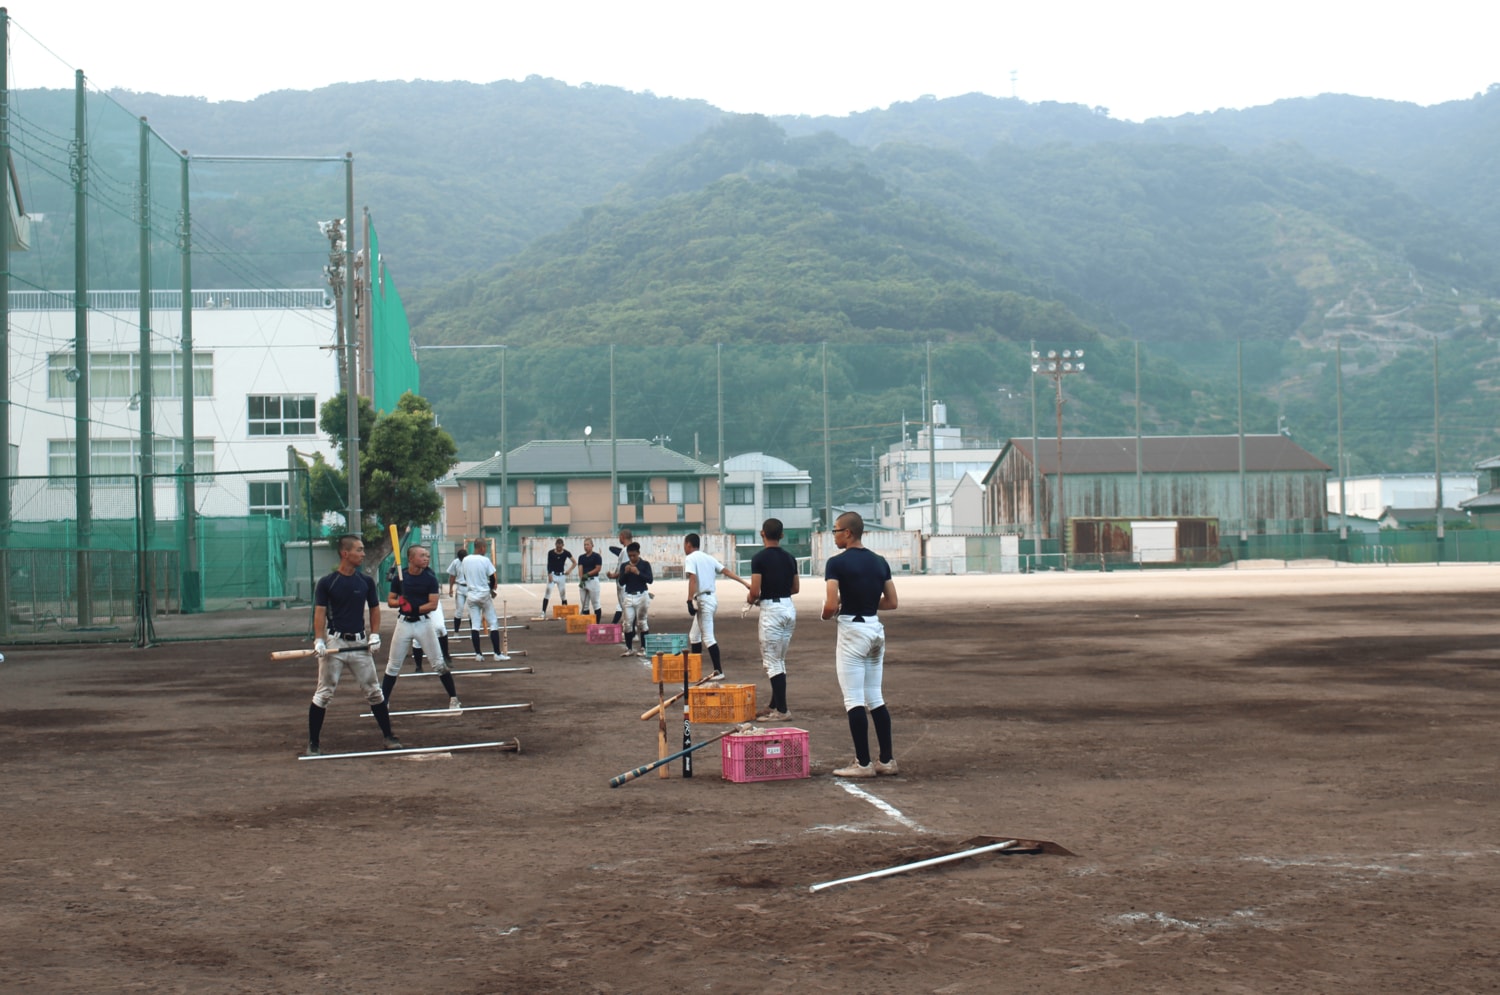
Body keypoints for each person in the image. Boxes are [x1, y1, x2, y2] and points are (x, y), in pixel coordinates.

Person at [821, 512, 899, 778]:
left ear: (848, 533)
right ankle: (886, 760)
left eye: (836, 531)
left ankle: (863, 763)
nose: (834, 535)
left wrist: (827, 613)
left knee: (853, 698)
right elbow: (891, 602)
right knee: (875, 697)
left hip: (853, 631)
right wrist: (864, 600)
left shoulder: (836, 563)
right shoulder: (880, 561)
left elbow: (831, 604)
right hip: (875, 628)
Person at [308, 534, 401, 756]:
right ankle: (313, 742)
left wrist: (374, 635)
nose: (363, 553)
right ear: (345, 553)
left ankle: (388, 736)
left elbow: (374, 609)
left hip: (359, 643)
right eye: (359, 550)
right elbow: (319, 613)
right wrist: (319, 639)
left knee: (374, 692)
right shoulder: (327, 582)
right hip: (334, 643)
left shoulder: (366, 582)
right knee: (324, 693)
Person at [381, 544, 462, 711]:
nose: (426, 558)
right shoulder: (400, 577)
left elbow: (432, 605)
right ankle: (383, 701)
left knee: (439, 664)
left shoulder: (430, 578)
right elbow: (390, 601)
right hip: (403, 624)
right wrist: (401, 603)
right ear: (411, 559)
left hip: (423, 623)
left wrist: (415, 609)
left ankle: (454, 699)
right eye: (422, 555)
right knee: (393, 665)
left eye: (427, 555)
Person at [747, 518, 799, 722]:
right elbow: (795, 588)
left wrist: (751, 599)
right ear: (782, 535)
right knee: (779, 659)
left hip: (772, 611)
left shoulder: (759, 558)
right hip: (788, 607)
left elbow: (754, 591)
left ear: (762, 534)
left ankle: (782, 710)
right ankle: (774, 704)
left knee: (772, 662)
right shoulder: (790, 558)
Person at [683, 532, 750, 682]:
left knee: (708, 637)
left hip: (703, 601)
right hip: (711, 599)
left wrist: (688, 600)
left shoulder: (690, 558)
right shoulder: (708, 558)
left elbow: (692, 579)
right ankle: (695, 672)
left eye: (684, 545)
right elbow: (726, 571)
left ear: (688, 544)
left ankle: (719, 671)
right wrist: (744, 583)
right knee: (694, 636)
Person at [459, 542, 509, 661]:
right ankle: (497, 653)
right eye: (485, 547)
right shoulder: (485, 560)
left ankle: (478, 654)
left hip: (471, 595)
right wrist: (491, 589)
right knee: (493, 623)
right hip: (484, 595)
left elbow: (465, 577)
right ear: (481, 548)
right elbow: (492, 577)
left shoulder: (465, 560)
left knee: (475, 625)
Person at [618, 541, 653, 657]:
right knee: (627, 623)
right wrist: (626, 573)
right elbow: (621, 582)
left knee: (642, 622)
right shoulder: (625, 566)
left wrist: (638, 572)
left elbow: (650, 580)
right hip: (628, 595)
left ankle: (644, 647)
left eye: (634, 555)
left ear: (638, 553)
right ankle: (629, 648)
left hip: (642, 595)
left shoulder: (645, 564)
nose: (632, 558)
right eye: (630, 556)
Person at [541, 538, 575, 617]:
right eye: (557, 547)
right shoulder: (551, 553)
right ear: (555, 545)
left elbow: (574, 562)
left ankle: (565, 611)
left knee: (563, 594)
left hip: (561, 575)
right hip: (553, 574)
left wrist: (569, 570)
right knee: (548, 592)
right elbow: (549, 564)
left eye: (560, 547)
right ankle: (543, 612)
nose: (559, 549)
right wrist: (549, 574)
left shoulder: (566, 553)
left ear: (563, 546)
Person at [606, 528, 633, 626]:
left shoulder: (626, 551)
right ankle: (630, 631)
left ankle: (630, 632)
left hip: (624, 584)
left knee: (626, 609)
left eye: (619, 536)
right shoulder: (631, 549)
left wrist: (613, 575)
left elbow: (625, 569)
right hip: (627, 583)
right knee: (626, 608)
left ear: (622, 536)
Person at [577, 537, 604, 623]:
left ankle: (597, 623)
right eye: (584, 545)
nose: (586, 546)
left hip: (593, 580)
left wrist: (588, 574)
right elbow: (580, 569)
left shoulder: (596, 556)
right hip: (584, 581)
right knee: (584, 605)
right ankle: (588, 623)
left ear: (592, 545)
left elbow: (598, 568)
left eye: (587, 544)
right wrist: (581, 579)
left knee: (595, 603)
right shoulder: (581, 557)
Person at [446, 542, 470, 633]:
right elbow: (452, 576)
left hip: (470, 588)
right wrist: (450, 589)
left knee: (471, 612)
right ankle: (456, 632)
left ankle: (473, 632)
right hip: (460, 588)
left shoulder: (470, 562)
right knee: (459, 611)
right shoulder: (456, 562)